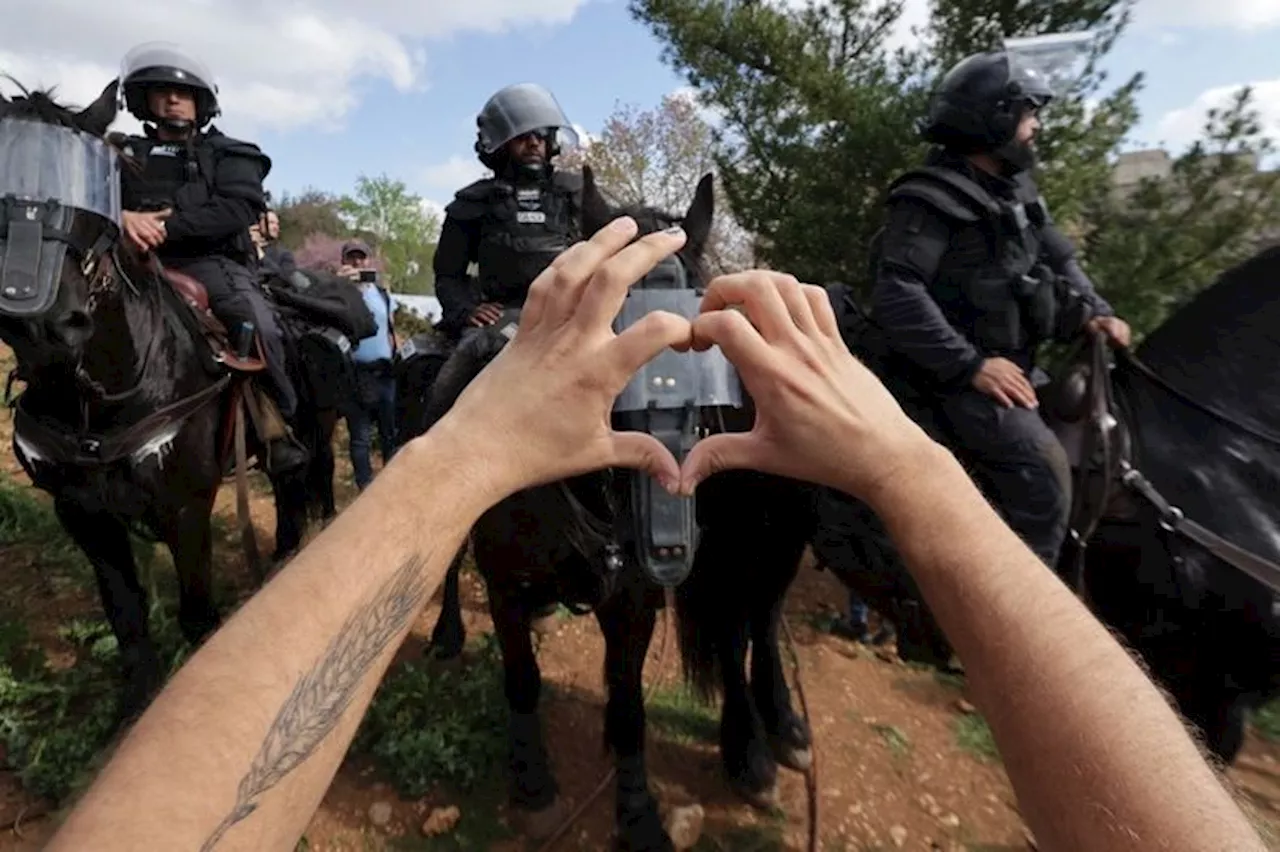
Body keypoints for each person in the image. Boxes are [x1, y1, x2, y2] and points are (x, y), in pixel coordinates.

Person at [42, 219, 1266, 852]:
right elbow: (465, 267)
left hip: (601, 332)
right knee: (428, 363)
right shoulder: (477, 203)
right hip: (509, 321)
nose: (525, 150)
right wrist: (478, 317)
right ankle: (381, 476)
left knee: (252, 307)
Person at [870, 48, 1132, 566]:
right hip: (948, 377)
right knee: (1043, 473)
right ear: (995, 119)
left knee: (1109, 450)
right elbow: (897, 291)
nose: (1035, 127)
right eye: (1029, 114)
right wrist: (970, 365)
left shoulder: (1015, 190)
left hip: (1016, 365)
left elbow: (1061, 259)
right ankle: (1017, 623)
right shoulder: (927, 198)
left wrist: (1097, 309)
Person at [115, 41, 306, 474]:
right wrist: (123, 216)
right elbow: (87, 199)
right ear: (144, 101)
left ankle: (278, 426)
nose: (173, 100)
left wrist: (166, 228)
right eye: (162, 92)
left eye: (183, 93)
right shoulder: (117, 153)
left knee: (257, 322)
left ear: (202, 104)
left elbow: (238, 208)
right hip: (129, 260)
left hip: (209, 265)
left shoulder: (233, 153)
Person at [433, 82, 583, 342]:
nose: (534, 142)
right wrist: (465, 311)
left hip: (572, 317)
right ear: (501, 142)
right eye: (522, 135)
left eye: (541, 133)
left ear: (552, 140)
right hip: (500, 324)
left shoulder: (579, 193)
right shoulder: (472, 202)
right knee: (466, 361)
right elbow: (448, 275)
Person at [337, 240, 398, 490]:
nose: (357, 262)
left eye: (361, 257)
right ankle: (365, 488)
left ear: (368, 261)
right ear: (344, 262)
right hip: (356, 374)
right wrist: (340, 284)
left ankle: (392, 485)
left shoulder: (383, 294)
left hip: (385, 372)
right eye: (351, 257)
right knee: (360, 438)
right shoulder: (339, 293)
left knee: (390, 434)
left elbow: (390, 328)